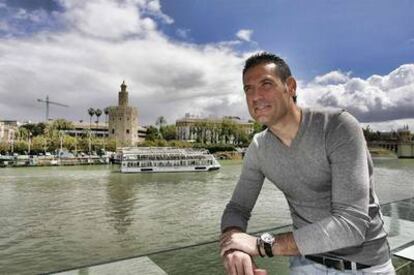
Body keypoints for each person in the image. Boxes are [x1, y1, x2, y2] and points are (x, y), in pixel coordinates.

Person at [219, 52, 395, 274]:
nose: (255, 96)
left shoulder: (337, 126)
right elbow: (238, 208)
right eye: (248, 89)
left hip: (367, 267)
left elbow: (350, 226)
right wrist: (234, 246)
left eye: (266, 84)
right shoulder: (258, 147)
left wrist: (259, 245)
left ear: (290, 87)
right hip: (306, 264)